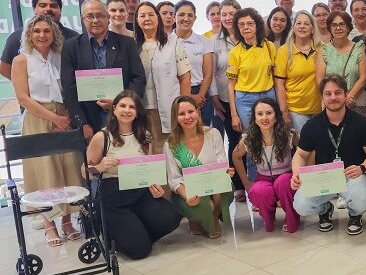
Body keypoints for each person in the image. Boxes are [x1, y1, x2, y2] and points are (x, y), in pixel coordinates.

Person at [12, 14, 83, 246]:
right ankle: (49, 225)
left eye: (47, 31)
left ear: (54, 34)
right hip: (38, 118)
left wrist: (66, 116)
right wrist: (53, 118)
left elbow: (72, 87)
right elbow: (23, 98)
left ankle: (67, 222)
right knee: (46, 174)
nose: (42, 35)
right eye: (37, 31)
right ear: (29, 35)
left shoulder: (61, 57)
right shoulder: (21, 60)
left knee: (68, 170)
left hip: (64, 115)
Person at [86, 91, 181, 259]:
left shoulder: (145, 136)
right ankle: (114, 235)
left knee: (171, 216)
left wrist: (155, 185)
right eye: (122, 106)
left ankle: (135, 233)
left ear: (137, 112)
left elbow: (149, 168)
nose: (127, 110)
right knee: (140, 252)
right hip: (113, 197)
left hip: (139, 191)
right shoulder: (102, 137)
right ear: (114, 109)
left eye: (132, 107)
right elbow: (85, 171)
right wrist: (100, 166)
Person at [291, 74, 366, 235]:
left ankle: (355, 214)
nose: (333, 97)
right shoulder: (312, 125)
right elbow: (300, 155)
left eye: (338, 92)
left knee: (361, 200)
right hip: (324, 177)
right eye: (328, 93)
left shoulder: (362, 123)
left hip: (352, 175)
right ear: (322, 97)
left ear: (345, 94)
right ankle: (325, 209)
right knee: (301, 205)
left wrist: (362, 167)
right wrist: (296, 173)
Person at [61, 0, 146, 138]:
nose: (95, 20)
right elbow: (69, 87)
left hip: (124, 116)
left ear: (108, 17)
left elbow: (138, 78)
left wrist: (121, 104)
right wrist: (82, 123)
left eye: (100, 15)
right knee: (94, 159)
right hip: (89, 120)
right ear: (83, 19)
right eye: (90, 16)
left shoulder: (127, 43)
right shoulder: (71, 47)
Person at [166, 96, 235, 239]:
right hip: (189, 189)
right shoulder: (171, 144)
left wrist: (226, 172)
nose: (187, 117)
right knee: (204, 206)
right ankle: (197, 217)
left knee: (222, 194)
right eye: (181, 114)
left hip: (213, 185)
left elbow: (221, 163)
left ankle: (213, 218)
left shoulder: (213, 134)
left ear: (198, 111)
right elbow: (174, 179)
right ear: (175, 118)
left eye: (191, 111)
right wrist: (187, 196)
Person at [232, 98, 299, 232]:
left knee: (283, 182)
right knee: (259, 191)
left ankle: (292, 218)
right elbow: (236, 156)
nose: (264, 118)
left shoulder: (289, 135)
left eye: (269, 113)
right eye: (260, 114)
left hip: (286, 176)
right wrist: (246, 183)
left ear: (276, 116)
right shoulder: (249, 138)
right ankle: (269, 217)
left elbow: (305, 152)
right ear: (255, 118)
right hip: (263, 177)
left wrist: (300, 175)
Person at [135, 1, 192, 154]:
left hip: (169, 106)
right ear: (137, 20)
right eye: (142, 15)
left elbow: (185, 77)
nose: (147, 18)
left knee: (172, 148)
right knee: (147, 150)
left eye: (151, 14)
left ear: (158, 18)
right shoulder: (132, 46)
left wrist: (184, 106)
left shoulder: (173, 42)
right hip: (141, 107)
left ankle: (173, 178)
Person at [1, 0, 80, 80]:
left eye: (53, 6)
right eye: (43, 5)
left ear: (60, 10)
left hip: (67, 92)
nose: (48, 9)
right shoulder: (18, 37)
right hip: (33, 94)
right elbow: (4, 67)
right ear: (34, 9)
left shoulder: (73, 37)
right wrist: (25, 83)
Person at [209, 0, 245, 197]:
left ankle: (255, 181)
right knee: (234, 139)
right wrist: (214, 99)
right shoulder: (215, 41)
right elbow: (212, 72)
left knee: (252, 140)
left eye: (231, 13)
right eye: (224, 14)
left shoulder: (248, 36)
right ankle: (238, 185)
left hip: (249, 97)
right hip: (224, 97)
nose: (227, 18)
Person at [227, 7, 277, 134]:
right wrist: (234, 115)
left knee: (270, 135)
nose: (246, 27)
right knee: (251, 138)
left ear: (257, 25)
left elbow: (274, 75)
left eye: (250, 23)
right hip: (245, 100)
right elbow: (231, 84)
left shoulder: (269, 46)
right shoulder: (235, 52)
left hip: (268, 96)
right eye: (241, 24)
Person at [315, 11, 366, 119]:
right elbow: (320, 79)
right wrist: (338, 97)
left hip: (356, 101)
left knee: (360, 134)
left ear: (348, 27)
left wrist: (348, 96)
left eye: (342, 24)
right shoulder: (324, 50)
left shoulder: (359, 47)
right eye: (334, 25)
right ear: (329, 28)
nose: (338, 28)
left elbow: (363, 77)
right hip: (332, 101)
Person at [274, 10, 321, 134]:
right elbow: (279, 85)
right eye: (299, 23)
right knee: (305, 147)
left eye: (306, 24)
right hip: (295, 110)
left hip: (320, 108)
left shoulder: (322, 48)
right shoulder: (284, 51)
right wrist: (284, 112)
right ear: (293, 27)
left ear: (312, 28)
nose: (302, 26)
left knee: (320, 147)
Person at [174, 0, 214, 126]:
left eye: (190, 15)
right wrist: (187, 96)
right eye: (181, 14)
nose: (186, 19)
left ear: (195, 18)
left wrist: (199, 97)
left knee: (203, 133)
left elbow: (208, 74)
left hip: (201, 94)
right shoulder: (167, 42)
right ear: (174, 16)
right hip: (175, 93)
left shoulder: (204, 41)